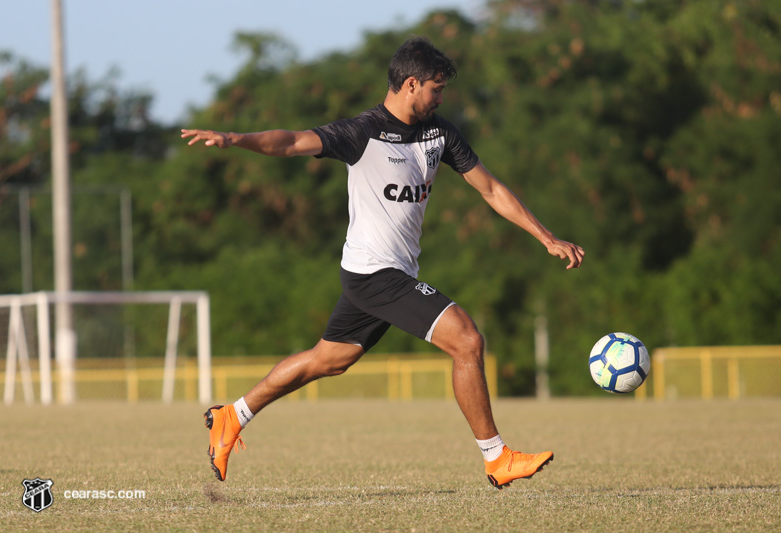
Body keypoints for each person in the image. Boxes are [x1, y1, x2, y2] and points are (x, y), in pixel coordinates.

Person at [181, 37, 584, 490]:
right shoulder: (362, 132)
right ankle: (497, 458)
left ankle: (230, 416)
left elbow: (490, 189)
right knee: (467, 340)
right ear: (411, 84)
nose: (441, 98)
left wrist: (546, 237)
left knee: (328, 360)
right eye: (436, 89)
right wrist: (235, 139)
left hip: (387, 273)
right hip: (373, 273)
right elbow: (292, 141)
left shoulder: (441, 134)